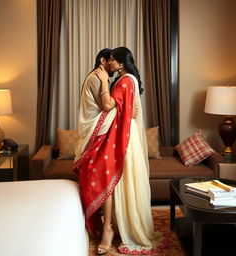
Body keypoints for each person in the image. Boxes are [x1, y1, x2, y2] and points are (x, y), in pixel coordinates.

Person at [74, 47, 165, 255]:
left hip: (123, 136)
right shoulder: (130, 80)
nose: (111, 63)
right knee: (119, 183)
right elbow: (127, 109)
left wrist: (105, 81)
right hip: (126, 132)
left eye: (114, 60)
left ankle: (110, 228)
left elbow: (107, 106)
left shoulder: (124, 81)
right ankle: (112, 225)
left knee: (112, 180)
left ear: (122, 63)